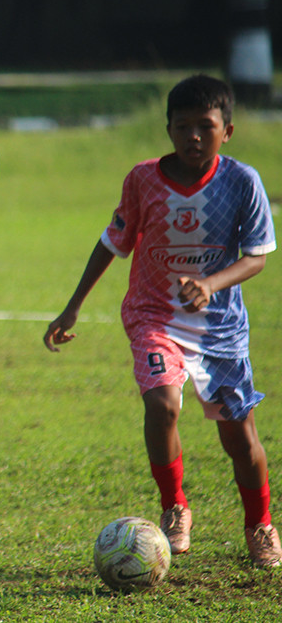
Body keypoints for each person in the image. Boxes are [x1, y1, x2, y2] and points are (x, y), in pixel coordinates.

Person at [43, 74, 280, 567]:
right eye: (183, 126)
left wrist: (211, 285)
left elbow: (257, 256)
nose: (194, 136)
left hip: (219, 329)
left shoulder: (242, 182)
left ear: (227, 130)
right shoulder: (143, 179)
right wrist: (73, 304)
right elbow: (114, 241)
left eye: (206, 126)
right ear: (168, 129)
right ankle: (175, 507)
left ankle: (260, 525)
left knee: (239, 437)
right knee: (163, 404)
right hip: (154, 316)